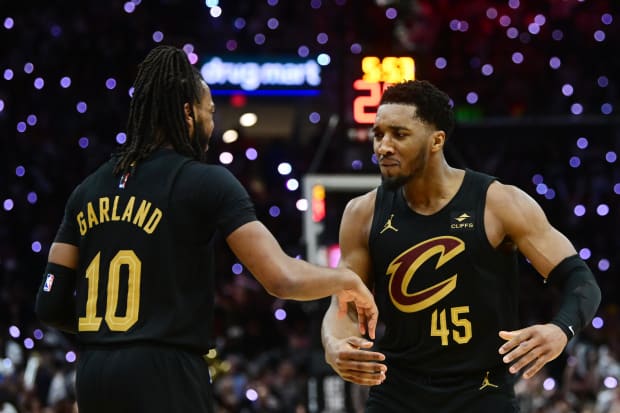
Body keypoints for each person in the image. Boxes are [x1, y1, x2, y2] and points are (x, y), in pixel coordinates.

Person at [34, 45, 378, 413]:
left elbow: (50, 304)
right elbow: (280, 278)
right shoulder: (206, 181)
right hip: (166, 372)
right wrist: (345, 280)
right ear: (188, 113)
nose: (213, 125)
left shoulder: (86, 190)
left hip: (94, 373)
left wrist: (112, 333)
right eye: (210, 112)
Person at [320, 79, 601, 412]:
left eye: (399, 134)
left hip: (482, 392)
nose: (383, 146)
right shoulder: (362, 213)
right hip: (397, 393)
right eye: (378, 134)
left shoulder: (499, 203)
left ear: (437, 140)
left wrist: (560, 330)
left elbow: (580, 280)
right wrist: (333, 345)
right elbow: (346, 305)